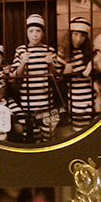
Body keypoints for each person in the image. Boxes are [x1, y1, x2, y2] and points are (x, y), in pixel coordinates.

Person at [9, 14, 67, 143]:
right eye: (31, 31)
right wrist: (23, 62)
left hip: (47, 102)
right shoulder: (20, 50)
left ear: (43, 33)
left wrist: (51, 63)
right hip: (27, 103)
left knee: (48, 136)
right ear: (26, 33)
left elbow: (55, 77)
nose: (34, 34)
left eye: (38, 31)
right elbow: (16, 78)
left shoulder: (49, 49)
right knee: (34, 137)